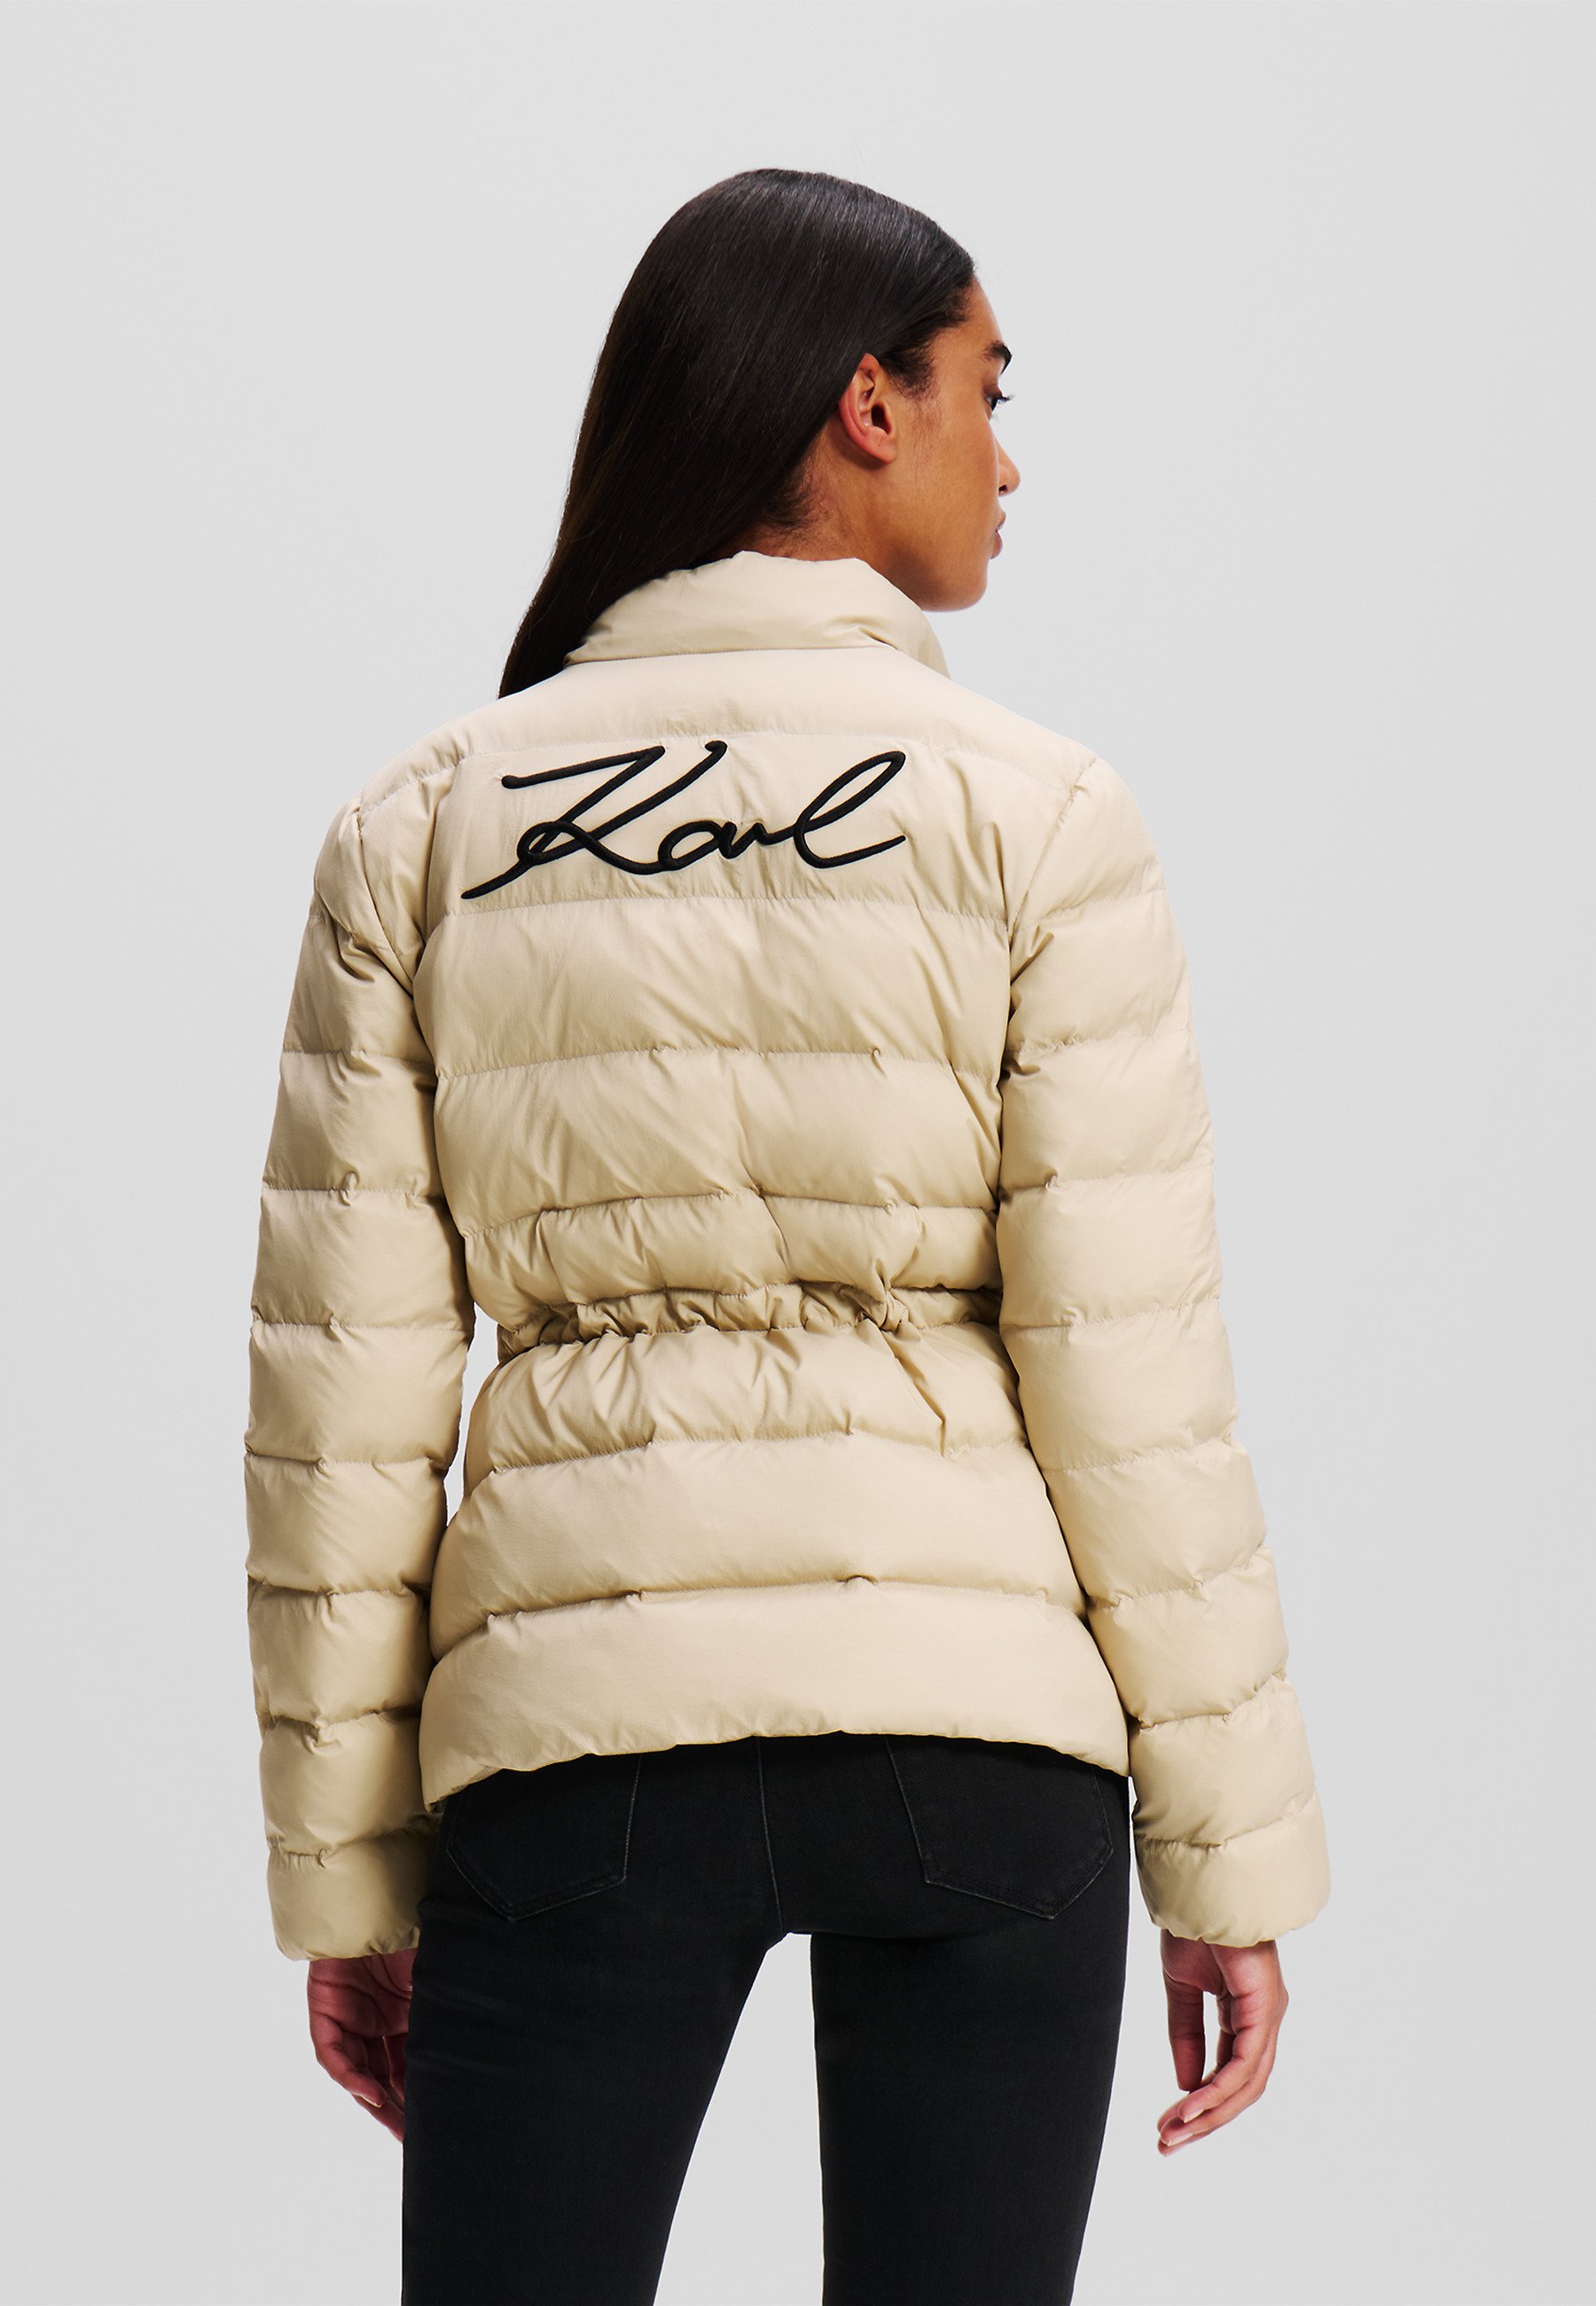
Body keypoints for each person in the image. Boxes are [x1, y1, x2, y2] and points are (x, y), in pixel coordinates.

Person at [243, 167, 1329, 2304]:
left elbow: (340, 1419)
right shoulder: (1043, 814)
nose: (1007, 459)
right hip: (982, 1741)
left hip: (574, 1747)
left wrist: (351, 1883)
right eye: (988, 391)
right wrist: (1227, 1859)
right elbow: (1134, 1382)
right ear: (865, 403)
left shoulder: (427, 823)